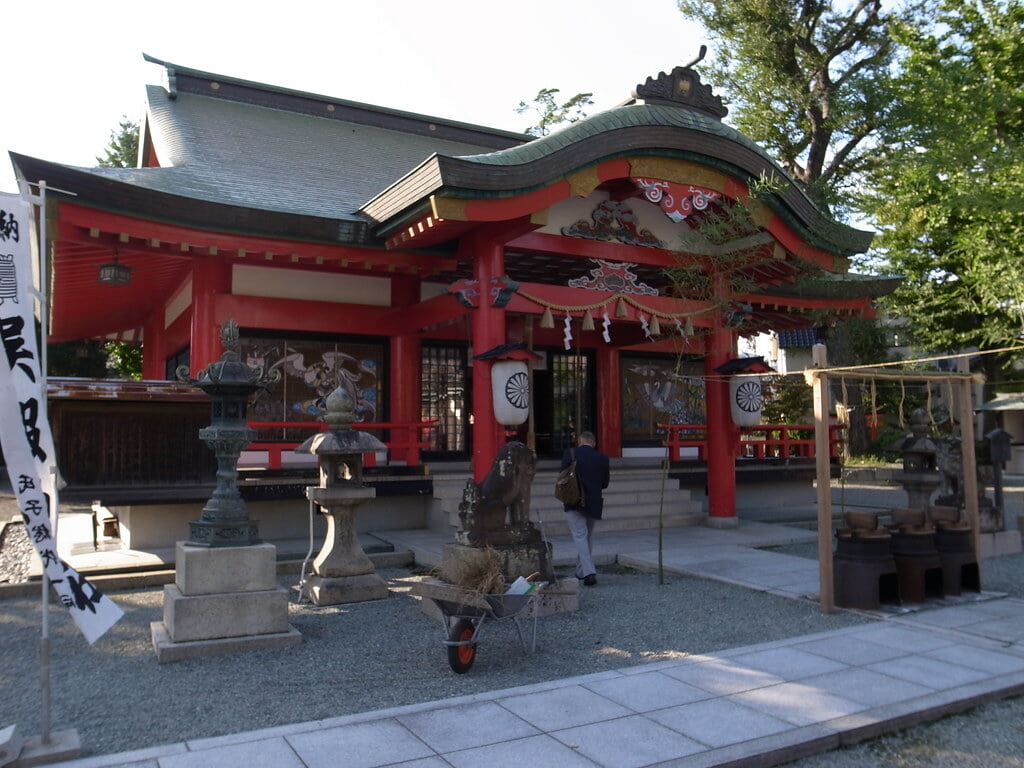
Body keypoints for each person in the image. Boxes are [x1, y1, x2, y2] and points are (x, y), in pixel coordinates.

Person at [560, 430, 610, 586]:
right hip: (593, 502)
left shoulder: (570, 454)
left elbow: (562, 477)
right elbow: (605, 483)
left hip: (573, 500)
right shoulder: (602, 458)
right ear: (594, 443)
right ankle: (581, 570)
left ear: (580, 442)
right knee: (587, 536)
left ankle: (589, 573)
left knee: (580, 536)